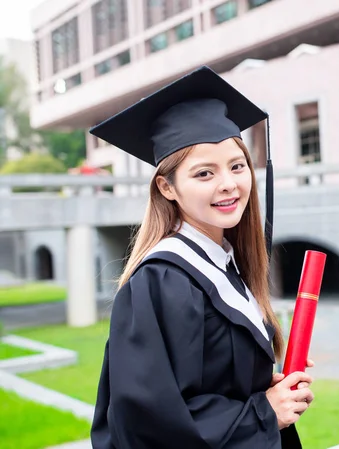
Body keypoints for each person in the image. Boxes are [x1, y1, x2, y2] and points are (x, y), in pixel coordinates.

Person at [89, 66, 315, 449]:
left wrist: (268, 389)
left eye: (237, 166)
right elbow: (148, 422)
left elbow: (214, 381)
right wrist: (263, 414)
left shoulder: (226, 265)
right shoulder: (162, 282)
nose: (228, 184)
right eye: (204, 173)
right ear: (167, 187)